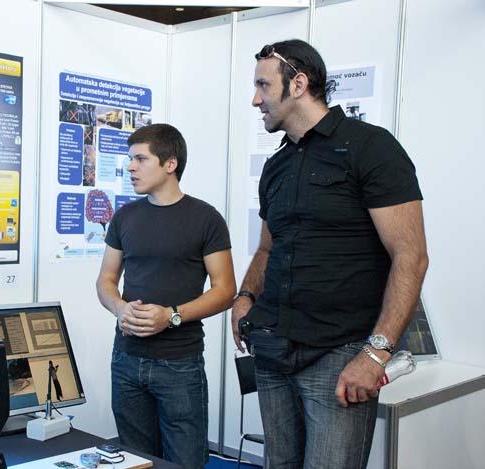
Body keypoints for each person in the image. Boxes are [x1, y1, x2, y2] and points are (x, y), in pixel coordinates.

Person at [231, 39, 428, 468]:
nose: (255, 100)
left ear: (298, 84)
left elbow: (410, 256)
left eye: (263, 86)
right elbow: (267, 246)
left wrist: (375, 354)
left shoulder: (370, 148)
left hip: (339, 355)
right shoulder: (276, 165)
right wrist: (244, 296)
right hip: (273, 348)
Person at [96, 123, 236, 468]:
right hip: (126, 359)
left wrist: (171, 316)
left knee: (185, 462)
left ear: (170, 163)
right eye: (130, 159)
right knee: (135, 461)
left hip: (180, 364)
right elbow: (106, 280)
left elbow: (225, 291)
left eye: (140, 159)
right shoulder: (124, 217)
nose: (130, 167)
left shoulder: (206, 219)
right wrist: (120, 308)